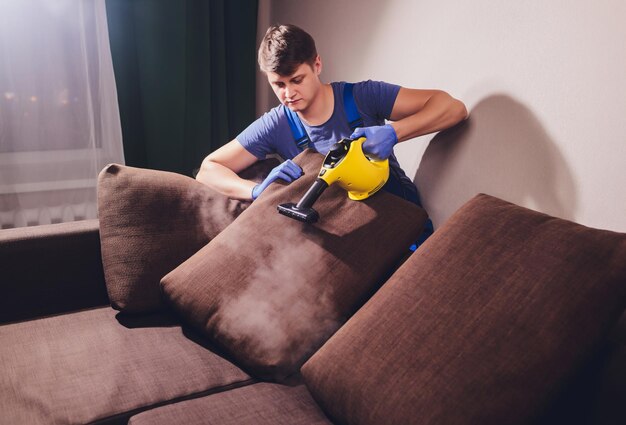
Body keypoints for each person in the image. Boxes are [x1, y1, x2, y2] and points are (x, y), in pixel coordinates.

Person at [196, 24, 467, 243]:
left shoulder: (363, 96)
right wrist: (256, 191)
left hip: (401, 226)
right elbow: (208, 169)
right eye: (278, 84)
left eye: (296, 80)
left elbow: (453, 108)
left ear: (317, 65)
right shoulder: (276, 124)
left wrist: (394, 131)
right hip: (341, 237)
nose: (288, 94)